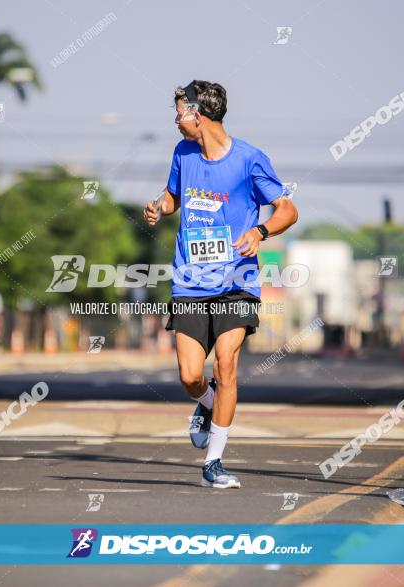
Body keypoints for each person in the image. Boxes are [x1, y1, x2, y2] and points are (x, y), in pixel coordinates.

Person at [143, 80, 298, 489]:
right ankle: (207, 403)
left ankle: (213, 461)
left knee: (226, 363)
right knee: (190, 377)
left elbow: (287, 209)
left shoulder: (250, 159)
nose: (175, 120)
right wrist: (160, 205)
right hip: (191, 281)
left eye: (180, 112)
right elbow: (175, 195)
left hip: (237, 280)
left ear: (199, 114)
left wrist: (260, 232)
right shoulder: (183, 153)